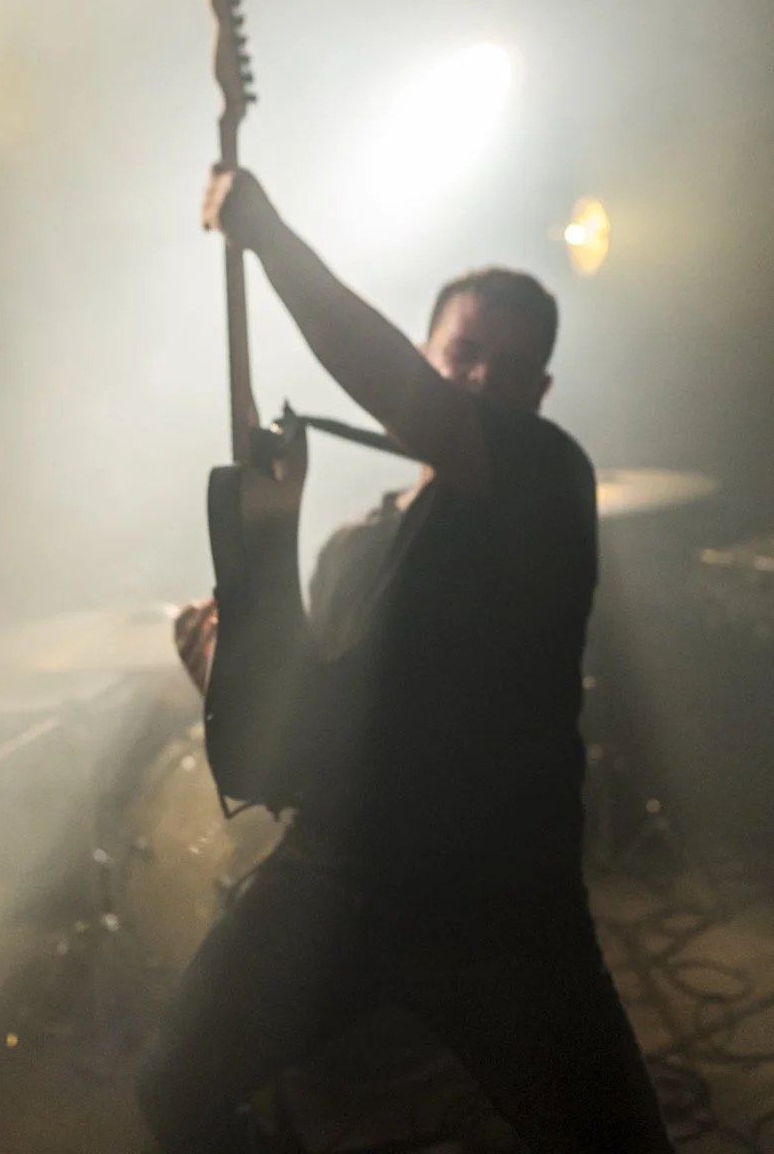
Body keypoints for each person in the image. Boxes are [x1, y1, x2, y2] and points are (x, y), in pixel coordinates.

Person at [138, 167, 674, 1154]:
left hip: (502, 912)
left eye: (505, 371)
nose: (479, 382)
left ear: (538, 394)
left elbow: (421, 407)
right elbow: (294, 752)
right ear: (432, 352)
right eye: (461, 355)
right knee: (173, 1094)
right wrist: (221, 676)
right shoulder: (353, 546)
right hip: (335, 883)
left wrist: (271, 239)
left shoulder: (551, 475)